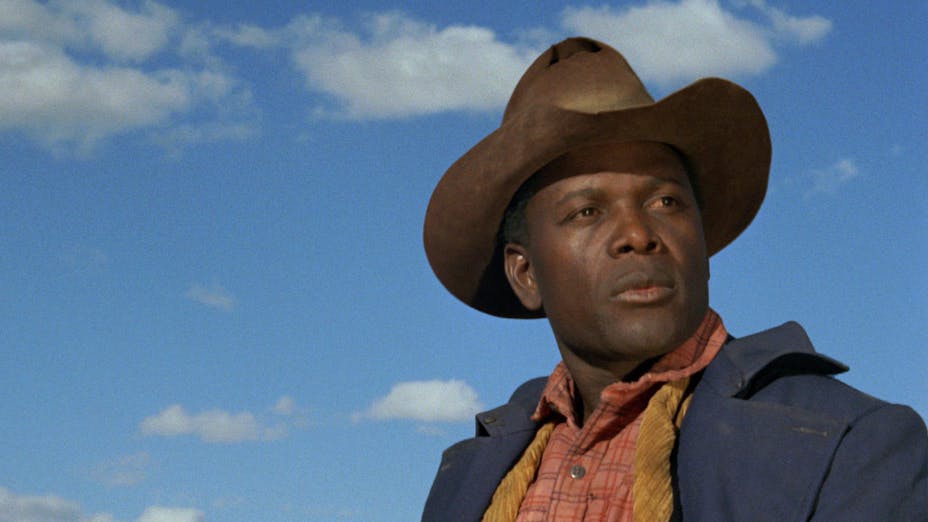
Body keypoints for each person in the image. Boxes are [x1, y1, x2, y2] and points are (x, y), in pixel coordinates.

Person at [420, 37, 927, 521]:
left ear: (700, 241)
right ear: (526, 273)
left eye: (666, 202)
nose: (638, 234)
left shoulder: (847, 445)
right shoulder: (468, 476)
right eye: (587, 212)